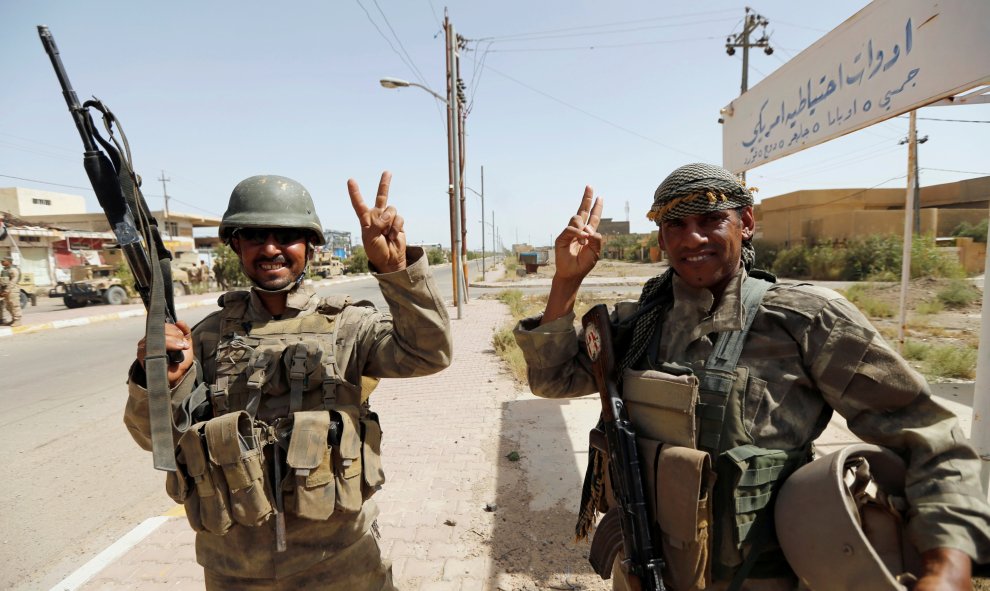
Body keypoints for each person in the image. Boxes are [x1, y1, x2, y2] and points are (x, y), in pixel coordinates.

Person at [513, 163, 989, 590]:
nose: (692, 238)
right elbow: (552, 380)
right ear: (661, 240)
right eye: (675, 225)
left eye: (710, 220)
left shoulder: (807, 319)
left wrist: (945, 568)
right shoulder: (638, 322)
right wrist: (565, 283)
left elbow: (928, 435)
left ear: (747, 223)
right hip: (643, 570)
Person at [124, 172, 451, 590]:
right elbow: (157, 441)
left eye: (287, 236)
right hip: (235, 569)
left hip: (341, 562)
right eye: (256, 236)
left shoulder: (349, 326)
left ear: (310, 247)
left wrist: (397, 271)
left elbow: (430, 352)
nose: (271, 248)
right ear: (236, 245)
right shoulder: (204, 338)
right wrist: (166, 381)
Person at [1, 257, 23, 327]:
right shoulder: (5, 270)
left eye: (3, 261)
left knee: (14, 305)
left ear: (9, 261)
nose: (1, 262)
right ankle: (13, 319)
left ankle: (17, 321)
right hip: (6, 290)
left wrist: (7, 290)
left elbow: (13, 281)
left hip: (13, 290)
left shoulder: (13, 269)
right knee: (8, 306)